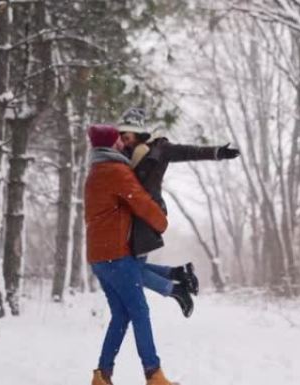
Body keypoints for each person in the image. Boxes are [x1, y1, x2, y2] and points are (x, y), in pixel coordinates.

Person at [117, 107, 241, 318]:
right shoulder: (122, 155)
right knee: (131, 270)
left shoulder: (159, 148)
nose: (123, 140)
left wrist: (216, 152)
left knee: (129, 273)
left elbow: (187, 151)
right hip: (128, 218)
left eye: (126, 136)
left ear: (137, 133)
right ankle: (178, 274)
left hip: (147, 217)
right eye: (121, 136)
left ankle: (176, 289)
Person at [85, 124, 176, 385]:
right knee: (139, 311)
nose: (123, 144)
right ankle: (153, 374)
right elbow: (140, 202)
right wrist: (162, 223)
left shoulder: (95, 172)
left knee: (122, 314)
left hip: (99, 257)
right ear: (110, 145)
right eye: (118, 141)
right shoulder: (115, 171)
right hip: (117, 255)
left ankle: (102, 375)